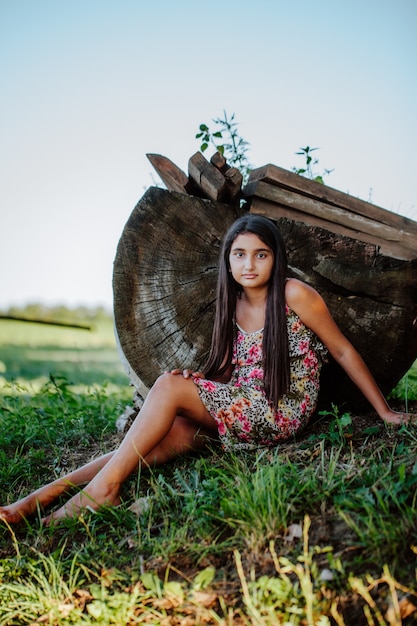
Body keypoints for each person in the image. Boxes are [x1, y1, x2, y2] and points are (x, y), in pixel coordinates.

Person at [0, 214, 413, 526]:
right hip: (245, 407)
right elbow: (238, 371)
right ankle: (37, 499)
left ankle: (100, 492)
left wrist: (385, 412)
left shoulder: (294, 294)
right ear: (228, 260)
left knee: (167, 387)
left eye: (261, 254)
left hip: (280, 410)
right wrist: (201, 389)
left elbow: (341, 350)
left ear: (275, 258)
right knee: (153, 442)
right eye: (239, 254)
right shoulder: (231, 305)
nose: (249, 264)